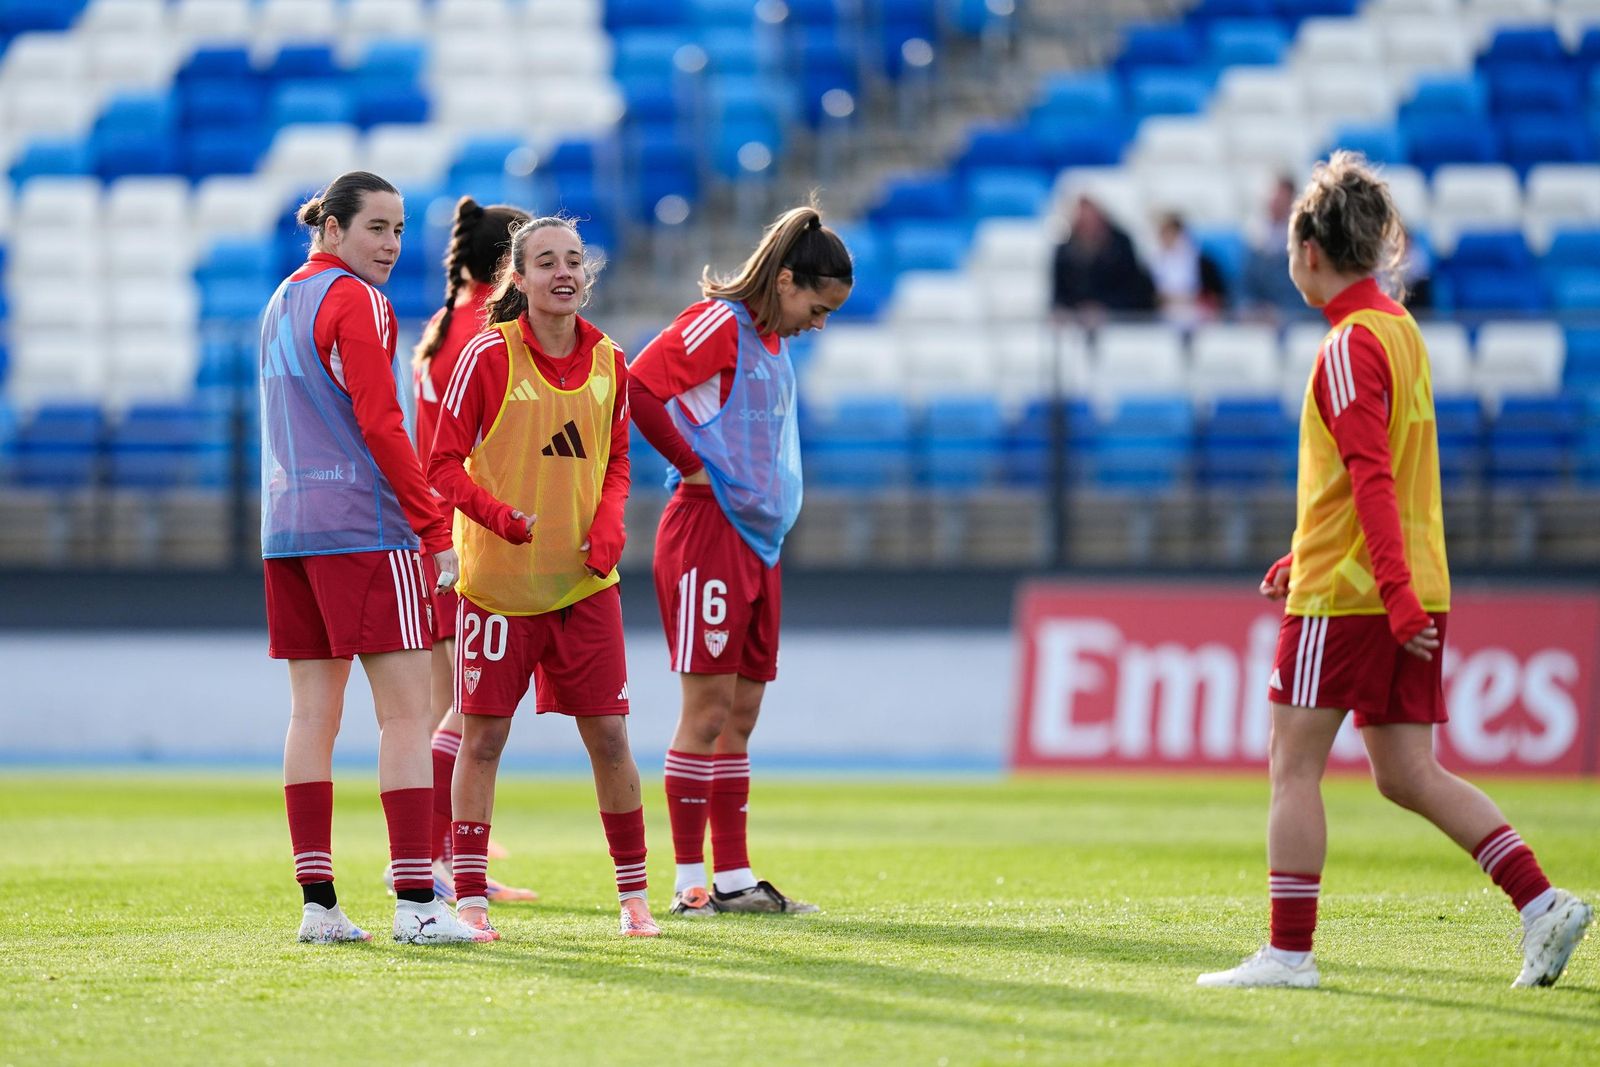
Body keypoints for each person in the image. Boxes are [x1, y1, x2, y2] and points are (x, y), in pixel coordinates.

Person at [1196, 152, 1592, 990]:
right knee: (1407, 771)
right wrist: (1307, 555)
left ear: (1310, 248)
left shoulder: (1345, 346)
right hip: (1404, 580)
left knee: (1292, 766)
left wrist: (1378, 589)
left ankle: (1289, 954)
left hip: (1353, 596)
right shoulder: (1401, 331)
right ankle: (1541, 902)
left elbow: (1372, 476)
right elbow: (1372, 478)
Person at [259, 170, 491, 945]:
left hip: (289, 530)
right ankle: (418, 904)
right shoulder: (357, 300)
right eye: (376, 229)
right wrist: (431, 526)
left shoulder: (281, 300)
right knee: (406, 713)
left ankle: (319, 905)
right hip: (364, 528)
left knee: (310, 717)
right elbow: (384, 424)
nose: (390, 244)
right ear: (331, 229)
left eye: (398, 229)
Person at [428, 215, 658, 938]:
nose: (564, 271)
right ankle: (468, 897)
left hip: (584, 587)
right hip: (497, 589)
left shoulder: (612, 361)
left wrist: (613, 520)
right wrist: (497, 516)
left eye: (574, 260)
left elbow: (617, 461)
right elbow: (439, 464)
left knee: (612, 739)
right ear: (517, 279)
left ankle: (634, 898)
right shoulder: (487, 357)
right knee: (484, 739)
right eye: (546, 261)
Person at [628, 203, 852, 918]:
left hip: (757, 540)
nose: (819, 324)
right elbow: (638, 385)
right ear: (785, 281)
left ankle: (733, 878)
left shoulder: (774, 343)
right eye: (816, 307)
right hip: (708, 531)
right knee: (707, 710)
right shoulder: (719, 323)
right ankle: (690, 883)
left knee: (742, 712)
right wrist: (690, 464)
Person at [404, 195, 537, 906]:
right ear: (509, 264)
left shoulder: (441, 324)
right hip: (466, 535)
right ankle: (433, 859)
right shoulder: (482, 332)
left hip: (436, 531)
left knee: (446, 703)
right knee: (465, 706)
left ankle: (450, 857)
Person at [1049, 194, 1154, 323]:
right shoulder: (1065, 250)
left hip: (1121, 318)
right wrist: (1066, 310)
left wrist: (1105, 307)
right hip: (1079, 319)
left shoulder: (1120, 245)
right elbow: (1059, 294)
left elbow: (1134, 289)